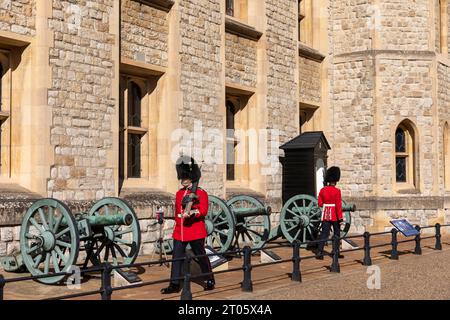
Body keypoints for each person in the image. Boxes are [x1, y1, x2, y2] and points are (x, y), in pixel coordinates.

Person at [160, 156, 215, 294]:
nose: (183, 180)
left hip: (195, 230)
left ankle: (209, 279)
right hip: (180, 231)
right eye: (182, 177)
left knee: (200, 256)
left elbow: (203, 211)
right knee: (177, 257)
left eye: (185, 177)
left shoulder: (201, 193)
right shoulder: (179, 194)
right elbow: (176, 212)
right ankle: (174, 284)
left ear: (191, 177)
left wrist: (192, 213)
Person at [315, 166, 343, 260]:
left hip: (326, 213)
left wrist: (326, 204)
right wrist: (340, 218)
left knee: (324, 233)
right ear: (335, 181)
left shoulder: (323, 190)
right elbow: (338, 205)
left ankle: (320, 251)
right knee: (337, 233)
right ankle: (336, 251)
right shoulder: (337, 191)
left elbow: (319, 203)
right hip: (335, 214)